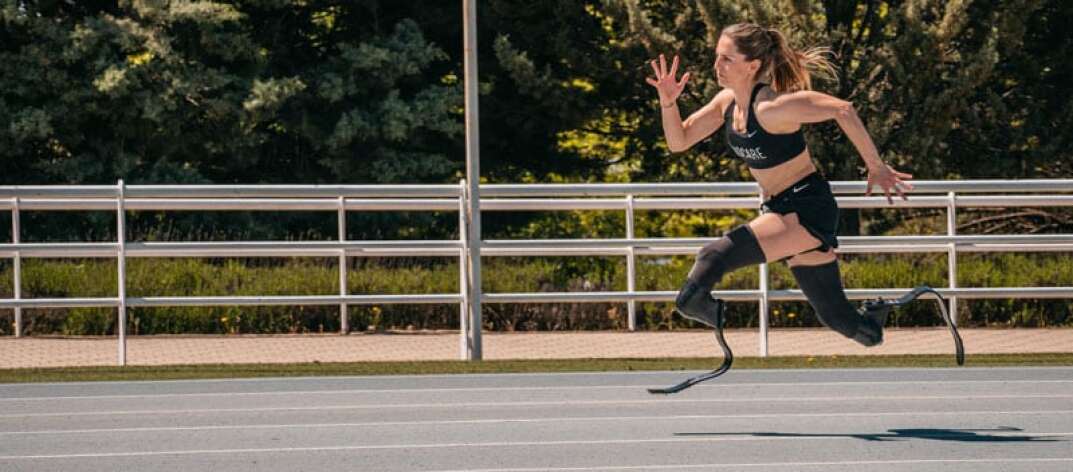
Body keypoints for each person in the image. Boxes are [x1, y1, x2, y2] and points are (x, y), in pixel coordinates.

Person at [646, 23, 914, 346]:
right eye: (717, 57)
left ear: (753, 65)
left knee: (712, 258)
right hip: (781, 209)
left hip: (805, 206)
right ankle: (876, 317)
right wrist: (668, 103)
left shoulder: (773, 109)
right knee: (840, 319)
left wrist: (877, 167)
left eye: (727, 59)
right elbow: (679, 140)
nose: (717, 66)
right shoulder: (726, 104)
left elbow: (843, 109)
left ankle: (706, 310)